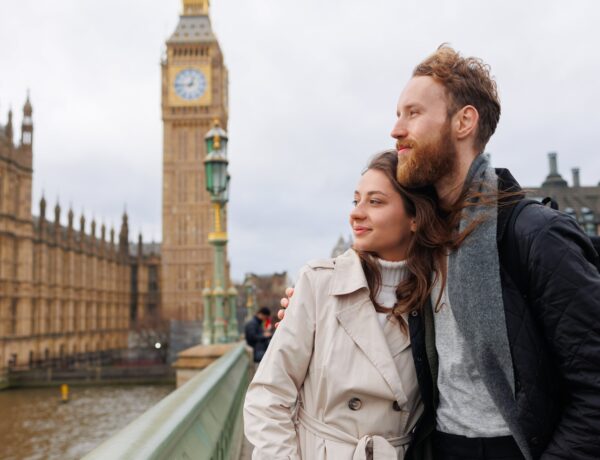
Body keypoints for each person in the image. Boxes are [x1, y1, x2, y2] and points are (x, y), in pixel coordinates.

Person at [280, 46, 600, 460]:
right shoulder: (424, 243)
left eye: (412, 113)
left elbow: (593, 387)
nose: (396, 130)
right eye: (397, 115)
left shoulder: (537, 236)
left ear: (464, 121)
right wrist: (306, 301)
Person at [244, 151, 448, 459]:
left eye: (375, 202)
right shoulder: (319, 284)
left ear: (415, 217)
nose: (356, 214)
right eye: (356, 201)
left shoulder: (439, 294)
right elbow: (268, 397)